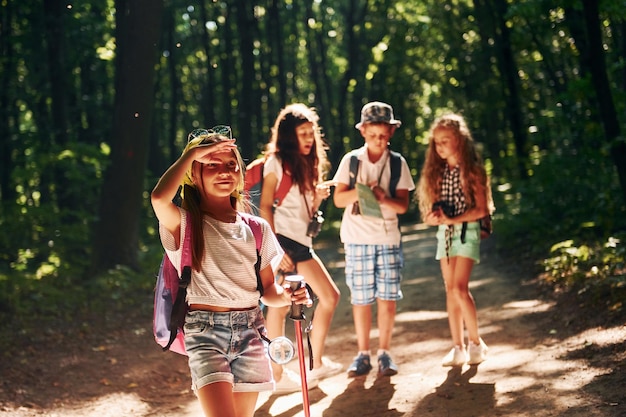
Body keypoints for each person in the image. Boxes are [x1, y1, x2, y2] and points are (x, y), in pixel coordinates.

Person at [151, 126, 311, 417]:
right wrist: (190, 155)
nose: (224, 171)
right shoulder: (184, 224)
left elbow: (269, 292)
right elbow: (159, 198)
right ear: (192, 173)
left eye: (230, 165)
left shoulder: (257, 229)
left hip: (251, 330)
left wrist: (289, 296)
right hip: (205, 333)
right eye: (211, 165)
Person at [258, 103, 342, 392]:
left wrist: (317, 200)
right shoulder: (276, 162)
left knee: (288, 306)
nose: (308, 138)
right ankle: (282, 374)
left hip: (299, 242)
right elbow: (265, 207)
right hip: (284, 244)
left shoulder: (307, 165)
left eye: (311, 133)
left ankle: (305, 367)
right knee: (311, 301)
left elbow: (304, 216)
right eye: (302, 133)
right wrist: (275, 250)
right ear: (289, 137)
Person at [332, 101, 415, 377]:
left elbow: (403, 206)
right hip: (357, 238)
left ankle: (385, 353)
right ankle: (363, 354)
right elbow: (338, 199)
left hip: (388, 237)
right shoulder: (351, 161)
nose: (379, 140)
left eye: (384, 135)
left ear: (391, 132)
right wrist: (361, 190)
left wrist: (382, 197)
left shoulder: (397, 162)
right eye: (373, 134)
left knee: (387, 297)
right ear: (363, 131)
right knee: (361, 298)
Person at [415, 113, 493, 367]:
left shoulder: (473, 171)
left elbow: (482, 210)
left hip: (467, 232)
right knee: (450, 290)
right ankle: (457, 347)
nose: (440, 146)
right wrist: (434, 217)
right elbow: (434, 213)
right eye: (436, 142)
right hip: (445, 234)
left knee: (459, 288)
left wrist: (453, 219)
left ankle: (476, 343)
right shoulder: (438, 173)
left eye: (445, 140)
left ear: (460, 139)